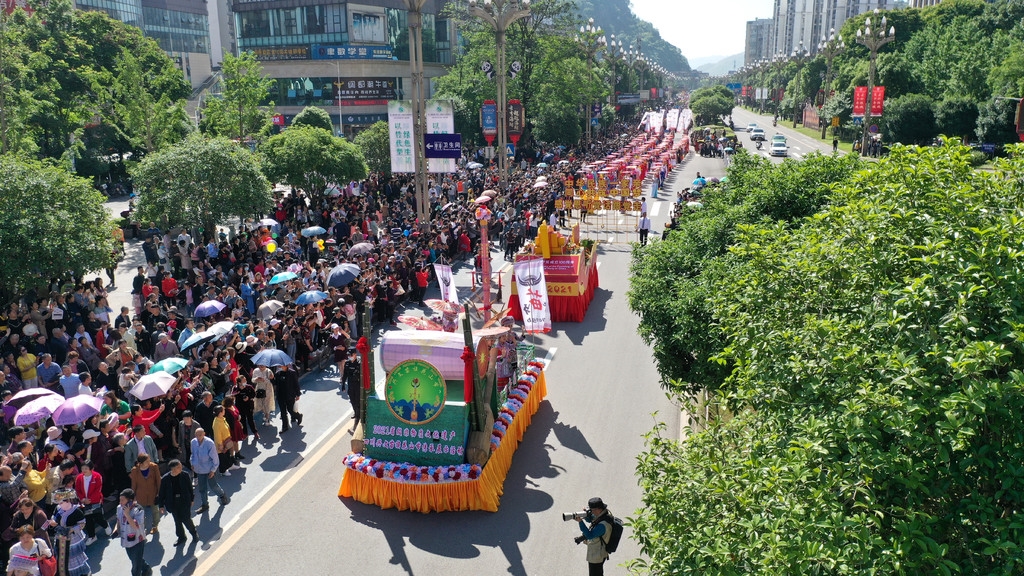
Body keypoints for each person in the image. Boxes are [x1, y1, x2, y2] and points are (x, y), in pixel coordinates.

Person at [46, 488, 91, 576]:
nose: (60, 504)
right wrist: (53, 522)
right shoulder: (58, 508)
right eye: (59, 502)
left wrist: (71, 529)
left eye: (62, 502)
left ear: (68, 500)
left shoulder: (76, 510)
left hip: (72, 538)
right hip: (60, 537)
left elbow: (82, 524)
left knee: (73, 557)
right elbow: (54, 517)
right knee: (62, 557)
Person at [157, 459, 197, 546]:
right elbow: (162, 493)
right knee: (177, 521)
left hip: (184, 501)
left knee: (186, 519)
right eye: (178, 467)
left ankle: (194, 534)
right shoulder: (165, 479)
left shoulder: (185, 475)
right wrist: (161, 506)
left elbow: (190, 488)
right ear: (173, 469)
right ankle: (181, 537)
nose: (181, 468)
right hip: (173, 502)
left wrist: (192, 499)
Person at [189, 428, 228, 514]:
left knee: (213, 486)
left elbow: (215, 458)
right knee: (202, 488)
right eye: (197, 435)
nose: (198, 437)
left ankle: (221, 495)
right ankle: (205, 504)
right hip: (199, 469)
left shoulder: (209, 443)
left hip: (209, 469)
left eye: (200, 435)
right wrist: (192, 463)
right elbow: (192, 454)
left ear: (204, 434)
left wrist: (213, 470)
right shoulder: (193, 442)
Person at [115, 489, 151, 576]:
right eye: (120, 500)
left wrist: (127, 514)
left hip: (138, 541)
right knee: (134, 559)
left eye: (122, 500)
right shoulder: (119, 508)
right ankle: (146, 568)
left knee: (135, 567)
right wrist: (116, 529)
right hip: (126, 541)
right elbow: (118, 519)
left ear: (130, 501)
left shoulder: (138, 510)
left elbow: (135, 526)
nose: (120, 502)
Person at [72, 461, 108, 545]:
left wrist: (90, 499)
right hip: (84, 502)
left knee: (98, 517)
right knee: (88, 520)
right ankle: (92, 536)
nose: (84, 470)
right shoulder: (79, 478)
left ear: (91, 469)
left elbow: (98, 489)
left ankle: (106, 525)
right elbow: (77, 490)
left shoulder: (97, 476)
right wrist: (83, 499)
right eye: (82, 468)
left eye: (86, 468)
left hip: (95, 501)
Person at [576, 497, 613, 576]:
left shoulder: (603, 526)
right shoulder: (604, 514)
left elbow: (589, 535)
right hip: (600, 553)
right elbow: (593, 519)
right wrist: (586, 515)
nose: (591, 512)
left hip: (596, 556)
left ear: (598, 509)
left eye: (592, 510)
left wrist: (580, 522)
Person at [128, 454, 161, 534]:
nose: (149, 462)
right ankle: (143, 527)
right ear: (141, 463)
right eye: (147, 461)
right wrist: (133, 496)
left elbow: (158, 480)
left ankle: (155, 526)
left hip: (153, 493)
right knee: (141, 513)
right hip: (140, 494)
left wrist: (159, 493)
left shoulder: (154, 467)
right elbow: (134, 484)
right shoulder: (134, 470)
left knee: (155, 511)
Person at [273, 364, 302, 433]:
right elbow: (276, 383)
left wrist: (298, 394)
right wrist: (272, 379)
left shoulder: (292, 373)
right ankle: (285, 426)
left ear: (286, 366)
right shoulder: (278, 373)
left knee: (290, 410)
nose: (280, 367)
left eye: (282, 365)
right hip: (280, 395)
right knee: (283, 412)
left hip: (289, 395)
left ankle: (298, 416)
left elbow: (296, 384)